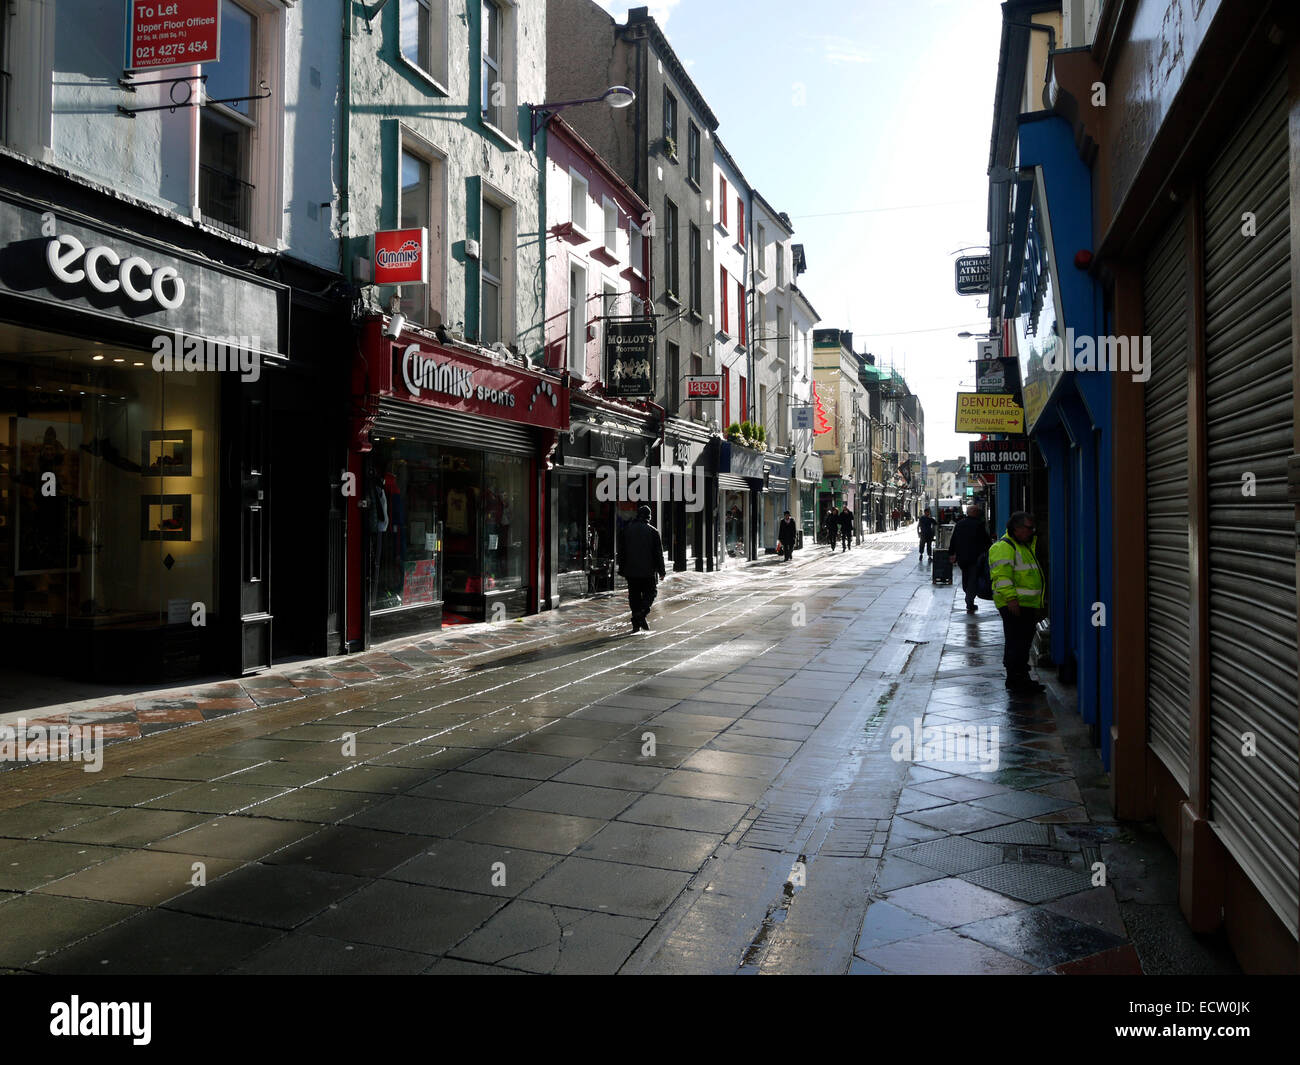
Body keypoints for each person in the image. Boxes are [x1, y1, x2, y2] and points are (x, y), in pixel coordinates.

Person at [989, 511, 1046, 694]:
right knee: (1017, 643)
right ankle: (1016, 680)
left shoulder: (1023, 546)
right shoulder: (1004, 547)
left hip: (1026, 604)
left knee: (1021, 644)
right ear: (1017, 528)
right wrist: (1011, 599)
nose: (1032, 531)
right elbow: (1001, 577)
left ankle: (1019, 677)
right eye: (1029, 528)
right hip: (1015, 604)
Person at [616, 504, 666, 631]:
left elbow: (621, 551)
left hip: (631, 571)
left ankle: (636, 622)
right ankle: (641, 614)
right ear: (649, 517)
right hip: (648, 571)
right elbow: (658, 553)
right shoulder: (653, 532)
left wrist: (622, 568)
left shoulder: (627, 530)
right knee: (650, 593)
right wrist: (661, 571)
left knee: (634, 596)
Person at [948, 504, 992, 613]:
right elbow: (986, 541)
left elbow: (953, 540)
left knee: (966, 576)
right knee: (973, 577)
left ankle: (967, 592)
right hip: (975, 557)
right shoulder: (979, 524)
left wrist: (951, 553)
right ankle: (969, 600)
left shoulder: (959, 524)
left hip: (962, 557)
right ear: (975, 513)